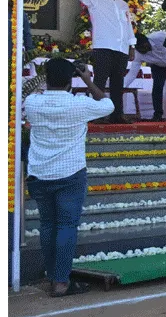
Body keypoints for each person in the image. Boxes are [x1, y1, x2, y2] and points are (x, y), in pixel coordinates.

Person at [24, 59, 115, 296]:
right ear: (70, 80)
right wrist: (87, 78)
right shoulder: (79, 104)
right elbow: (107, 104)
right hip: (70, 173)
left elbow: (32, 97)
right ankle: (61, 282)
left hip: (40, 172)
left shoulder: (33, 103)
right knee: (66, 226)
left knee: (47, 225)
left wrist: (42, 83)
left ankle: (54, 276)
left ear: (46, 78)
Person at [75, 0, 136, 123]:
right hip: (103, 46)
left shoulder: (123, 4)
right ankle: (97, 115)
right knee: (100, 81)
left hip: (121, 48)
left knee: (117, 83)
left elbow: (128, 25)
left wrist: (132, 46)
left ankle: (117, 114)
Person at [124, 30, 166, 121]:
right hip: (158, 67)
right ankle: (158, 114)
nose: (143, 50)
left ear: (147, 40)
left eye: (144, 47)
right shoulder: (139, 55)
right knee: (157, 88)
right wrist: (122, 86)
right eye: (139, 49)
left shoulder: (159, 37)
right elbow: (132, 74)